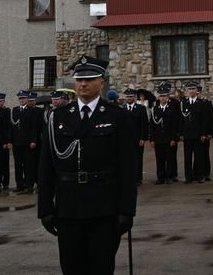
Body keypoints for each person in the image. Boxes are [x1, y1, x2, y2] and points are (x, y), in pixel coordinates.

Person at [37, 56, 137, 275]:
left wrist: (127, 210)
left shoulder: (116, 116)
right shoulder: (57, 117)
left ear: (102, 82)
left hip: (104, 207)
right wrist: (45, 208)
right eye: (79, 80)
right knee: (72, 268)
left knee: (101, 268)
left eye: (90, 79)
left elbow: (128, 167)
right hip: (68, 208)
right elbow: (46, 167)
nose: (83, 84)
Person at [179, 82, 212, 183]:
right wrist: (181, 134)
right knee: (187, 157)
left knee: (199, 157)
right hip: (187, 135)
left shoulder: (201, 103)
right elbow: (181, 120)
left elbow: (204, 120)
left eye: (193, 89)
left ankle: (200, 176)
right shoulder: (184, 103)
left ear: (196, 91)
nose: (191, 91)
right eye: (190, 89)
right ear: (187, 91)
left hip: (198, 135)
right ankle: (188, 176)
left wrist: (203, 134)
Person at [149, 82, 181, 185]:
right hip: (158, 138)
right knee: (160, 159)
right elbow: (152, 125)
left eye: (164, 96)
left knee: (170, 158)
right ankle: (160, 177)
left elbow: (174, 125)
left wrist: (174, 138)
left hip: (169, 138)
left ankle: (170, 176)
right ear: (159, 97)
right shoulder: (155, 109)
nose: (162, 98)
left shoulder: (172, 108)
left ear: (167, 97)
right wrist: (152, 139)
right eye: (161, 96)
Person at [11, 90, 41, 193]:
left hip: (28, 142)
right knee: (18, 165)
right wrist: (10, 140)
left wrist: (33, 140)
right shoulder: (15, 110)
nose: (22, 100)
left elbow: (34, 127)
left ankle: (29, 185)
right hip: (17, 142)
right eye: (20, 98)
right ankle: (19, 185)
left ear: (27, 99)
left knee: (29, 165)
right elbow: (12, 127)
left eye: (23, 98)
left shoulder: (32, 110)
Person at [122, 88, 149, 186]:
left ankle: (138, 178)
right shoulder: (122, 109)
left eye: (131, 96)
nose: (129, 98)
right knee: (127, 159)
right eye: (127, 96)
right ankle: (129, 178)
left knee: (138, 159)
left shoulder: (141, 108)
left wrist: (143, 138)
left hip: (137, 139)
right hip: (126, 139)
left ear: (134, 97)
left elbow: (144, 124)